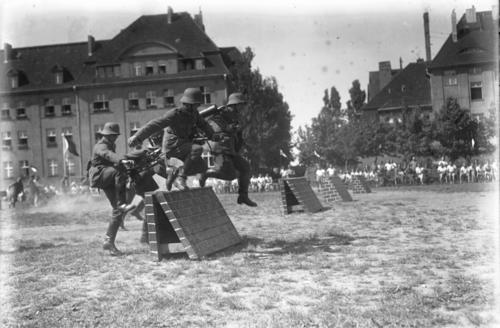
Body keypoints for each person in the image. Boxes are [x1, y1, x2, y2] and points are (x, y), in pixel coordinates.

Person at [128, 88, 215, 190]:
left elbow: (204, 125)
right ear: (189, 104)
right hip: (172, 146)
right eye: (196, 104)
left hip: (184, 146)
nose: (198, 106)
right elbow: (155, 124)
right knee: (196, 149)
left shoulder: (194, 114)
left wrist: (213, 135)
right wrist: (138, 136)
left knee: (202, 167)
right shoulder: (175, 114)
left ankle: (172, 176)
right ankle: (180, 177)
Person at [199, 93, 257, 207]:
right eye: (240, 105)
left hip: (230, 149)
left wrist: (243, 144)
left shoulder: (236, 116)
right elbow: (211, 128)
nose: (242, 108)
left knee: (245, 167)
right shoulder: (220, 114)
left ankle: (243, 196)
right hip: (219, 148)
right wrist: (228, 129)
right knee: (230, 176)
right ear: (234, 105)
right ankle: (206, 173)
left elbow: (238, 135)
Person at [88, 122, 135, 256]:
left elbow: (113, 158)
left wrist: (127, 160)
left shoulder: (110, 144)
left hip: (107, 178)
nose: (115, 138)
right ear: (106, 135)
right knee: (119, 169)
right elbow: (108, 155)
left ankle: (109, 241)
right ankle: (122, 203)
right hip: (99, 176)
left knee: (117, 212)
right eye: (113, 136)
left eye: (115, 136)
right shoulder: (101, 145)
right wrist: (121, 161)